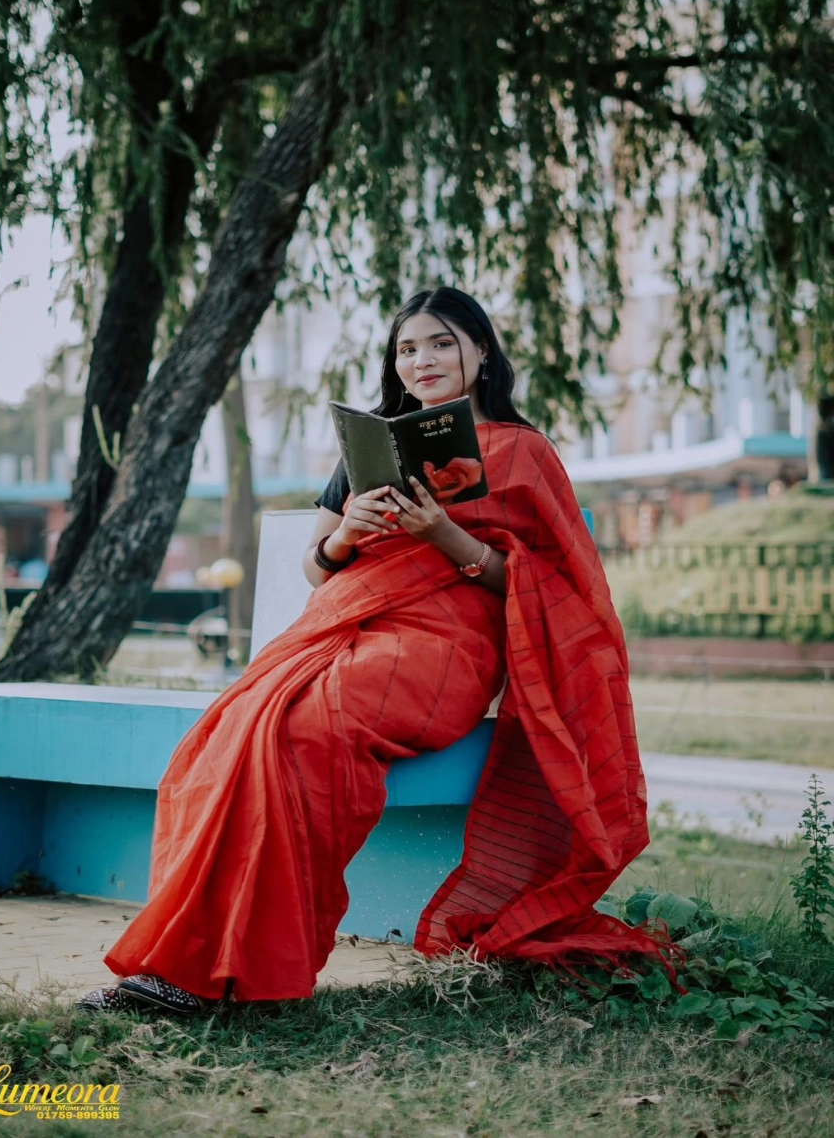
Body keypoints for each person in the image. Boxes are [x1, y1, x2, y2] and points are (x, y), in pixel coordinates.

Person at [77, 286, 666, 1015]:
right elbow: (318, 567)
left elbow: (555, 588)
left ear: (482, 353)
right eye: (408, 348)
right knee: (229, 736)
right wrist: (347, 534)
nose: (423, 360)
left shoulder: (525, 452)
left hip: (449, 646)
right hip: (345, 624)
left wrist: (444, 536)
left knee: (309, 731)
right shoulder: (373, 445)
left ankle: (243, 973)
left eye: (443, 342)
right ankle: (194, 967)